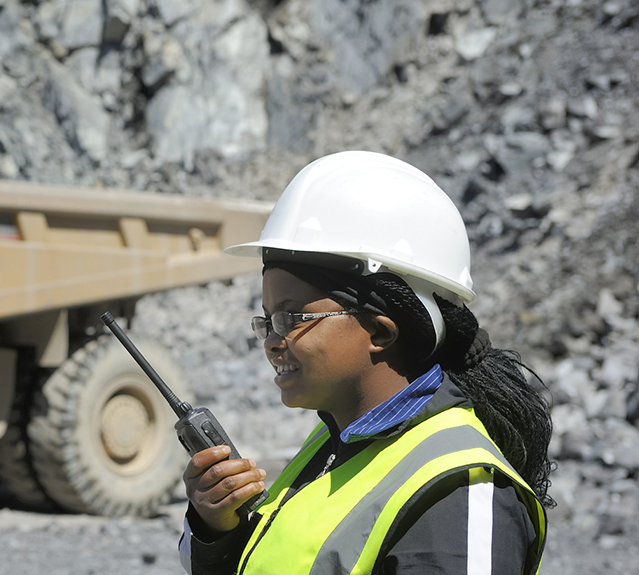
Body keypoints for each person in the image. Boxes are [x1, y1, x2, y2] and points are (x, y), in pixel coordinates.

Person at [177, 151, 552, 574]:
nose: (271, 342)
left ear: (380, 331)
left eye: (291, 318)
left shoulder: (458, 493)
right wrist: (216, 528)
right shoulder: (332, 442)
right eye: (266, 320)